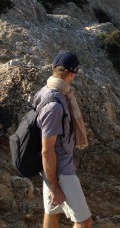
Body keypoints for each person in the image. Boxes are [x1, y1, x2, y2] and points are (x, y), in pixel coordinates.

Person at [33, 51, 92, 228]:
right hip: (61, 172)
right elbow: (47, 149)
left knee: (52, 213)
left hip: (49, 169)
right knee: (84, 221)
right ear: (73, 73)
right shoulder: (55, 106)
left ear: (53, 68)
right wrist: (54, 187)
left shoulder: (44, 91)